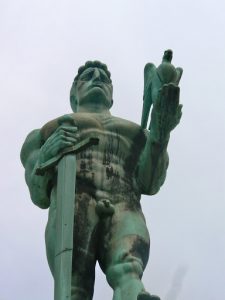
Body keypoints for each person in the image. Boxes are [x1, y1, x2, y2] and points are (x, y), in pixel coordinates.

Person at [20, 60, 182, 300]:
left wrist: (160, 135)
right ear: (74, 93)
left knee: (128, 269)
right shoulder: (44, 134)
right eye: (88, 76)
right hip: (73, 200)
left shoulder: (138, 135)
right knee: (75, 285)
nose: (97, 79)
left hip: (124, 203)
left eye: (104, 78)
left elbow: (150, 182)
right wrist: (46, 154)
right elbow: (39, 194)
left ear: (112, 95)